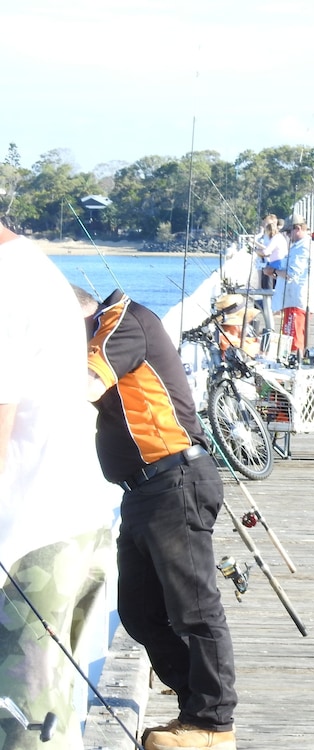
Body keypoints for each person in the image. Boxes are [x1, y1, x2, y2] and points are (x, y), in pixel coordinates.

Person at [82, 286, 238, 750]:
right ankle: (195, 711)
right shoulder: (106, 327)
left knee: (195, 609)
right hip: (145, 490)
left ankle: (214, 724)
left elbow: (85, 384)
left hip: (175, 479)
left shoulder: (119, 321)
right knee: (140, 611)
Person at [0, 226, 119, 750]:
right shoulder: (35, 270)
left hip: (30, 542)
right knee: (55, 722)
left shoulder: (5, 282)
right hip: (77, 522)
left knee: (22, 729)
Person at [267, 213, 314, 355]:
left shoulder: (304, 247)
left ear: (298, 228)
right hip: (291, 301)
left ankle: (296, 363)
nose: (287, 235)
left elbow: (292, 273)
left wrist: (273, 271)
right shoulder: (298, 246)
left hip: (297, 301)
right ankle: (293, 361)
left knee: (294, 339)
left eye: (288, 232)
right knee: (288, 337)